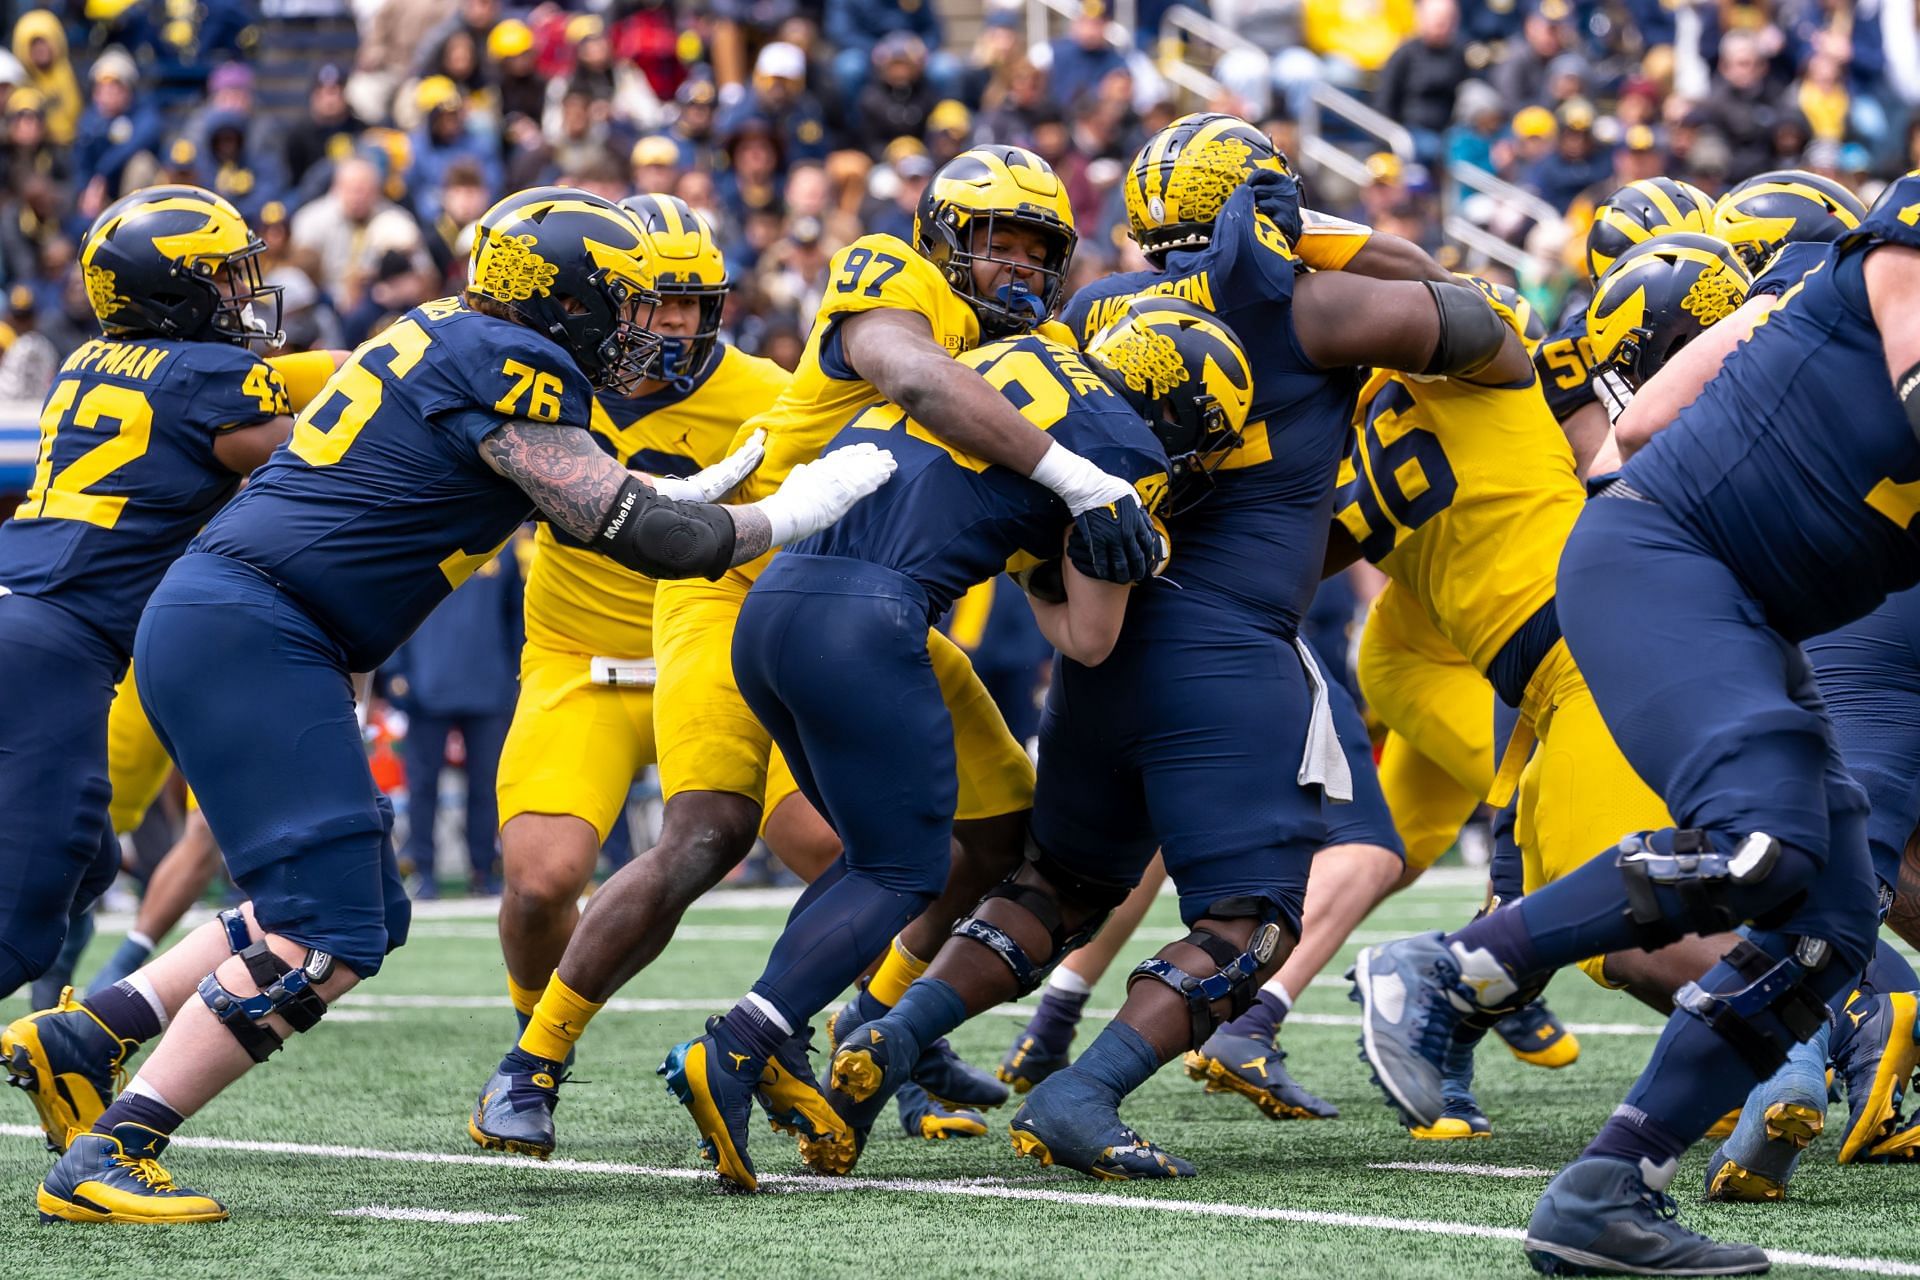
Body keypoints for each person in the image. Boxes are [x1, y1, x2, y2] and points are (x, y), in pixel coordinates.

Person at [7, 188, 897, 1223]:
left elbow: (607, 491)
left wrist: (715, 482)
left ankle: (87, 1032)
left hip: (244, 623)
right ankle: (117, 1145)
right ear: (557, 299)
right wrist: (797, 506)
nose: (630, 326)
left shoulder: (443, 332)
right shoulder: (509, 362)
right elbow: (641, 534)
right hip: (259, 631)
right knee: (329, 927)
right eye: (615, 301)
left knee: (365, 904)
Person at [826, 114, 1520, 1180]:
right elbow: (1489, 330)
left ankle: (891, 1034)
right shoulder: (1317, 304)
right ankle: (1084, 1090)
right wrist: (1318, 234)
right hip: (1229, 649)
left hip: (1103, 634)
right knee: (1252, 922)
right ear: (1267, 202)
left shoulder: (1100, 304)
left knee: (1058, 885)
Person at [466, 147, 1162, 1174]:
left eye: (1035, 248)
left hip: (877, 597)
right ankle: (535, 1055)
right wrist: (1081, 476)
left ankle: (864, 1034)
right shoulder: (892, 276)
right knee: (709, 832)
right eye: (994, 241)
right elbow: (917, 378)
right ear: (942, 239)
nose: (1015, 264)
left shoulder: (1039, 348)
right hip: (738, 583)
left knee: (1007, 830)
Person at [1352, 171, 1920, 1276]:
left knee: (1831, 925)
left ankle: (1606, 1189)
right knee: (1762, 845)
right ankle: (1451, 964)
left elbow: (1650, 412)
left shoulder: (1784, 298)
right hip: (1672, 562)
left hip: (1744, 601)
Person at [667, 319, 1185, 1191]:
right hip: (867, 619)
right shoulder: (1124, 445)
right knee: (907, 870)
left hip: (770, 603)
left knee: (873, 859)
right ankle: (740, 1043)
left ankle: (776, 1042)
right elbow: (1090, 643)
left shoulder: (996, 362)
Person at [477, 192, 786, 1082]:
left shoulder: (767, 394)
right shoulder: (531, 379)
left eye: (692, 301)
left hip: (722, 661)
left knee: (838, 846)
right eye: (654, 299)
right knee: (539, 883)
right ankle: (536, 1052)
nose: (674, 323)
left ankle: (881, 1029)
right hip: (582, 663)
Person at [0, 185, 295, 1012]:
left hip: (21, 610)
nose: (243, 293)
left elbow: (239, 386)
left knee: (91, 864)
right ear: (174, 293)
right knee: (19, 934)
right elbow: (325, 454)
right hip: (55, 644)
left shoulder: (84, 361)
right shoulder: (217, 383)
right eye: (225, 277)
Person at [389, 545, 523, 898]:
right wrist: (395, 671)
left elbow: (516, 617)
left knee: (486, 787)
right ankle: (424, 872)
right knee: (422, 787)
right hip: (425, 686)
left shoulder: (502, 545)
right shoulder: (416, 542)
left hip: (489, 686)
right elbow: (390, 608)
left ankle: (483, 871)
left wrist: (515, 675)